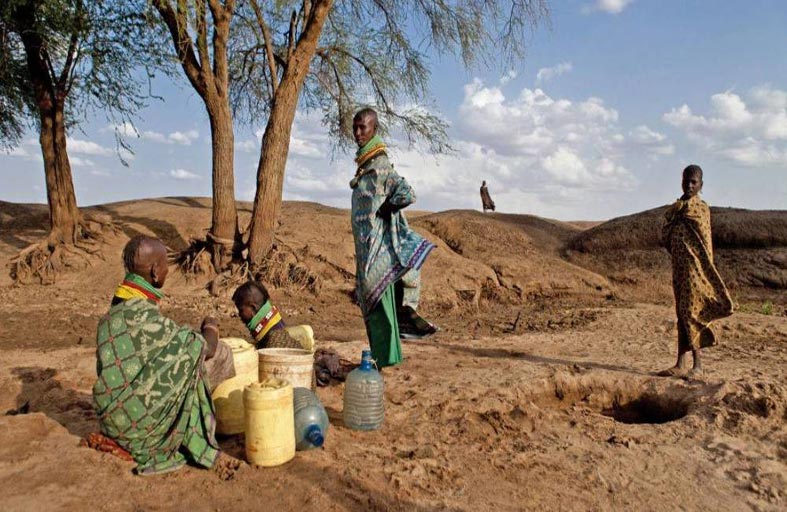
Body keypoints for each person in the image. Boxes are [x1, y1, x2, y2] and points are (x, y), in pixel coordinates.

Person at [91, 235, 240, 477]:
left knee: (184, 353)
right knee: (219, 353)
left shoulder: (109, 319)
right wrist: (211, 326)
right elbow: (207, 348)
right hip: (143, 433)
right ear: (154, 271)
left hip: (112, 423)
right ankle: (194, 427)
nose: (168, 271)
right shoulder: (151, 322)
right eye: (165, 265)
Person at [349, 108, 437, 367]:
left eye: (363, 127)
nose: (358, 133)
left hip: (378, 251)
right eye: (355, 127)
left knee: (378, 306)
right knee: (375, 305)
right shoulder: (366, 166)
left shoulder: (381, 166)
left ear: (374, 129)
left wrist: (385, 209)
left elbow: (407, 193)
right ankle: (386, 358)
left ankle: (385, 360)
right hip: (367, 249)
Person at [658, 165, 733, 379]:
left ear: (701, 185)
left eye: (694, 182)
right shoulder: (676, 208)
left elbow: (705, 242)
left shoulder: (700, 209)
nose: (689, 185)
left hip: (695, 270)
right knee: (681, 313)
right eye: (686, 181)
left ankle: (698, 366)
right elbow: (666, 232)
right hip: (680, 269)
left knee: (691, 312)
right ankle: (680, 363)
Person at [232, 281, 303, 349]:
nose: (239, 314)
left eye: (241, 310)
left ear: (253, 308)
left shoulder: (273, 343)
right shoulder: (277, 329)